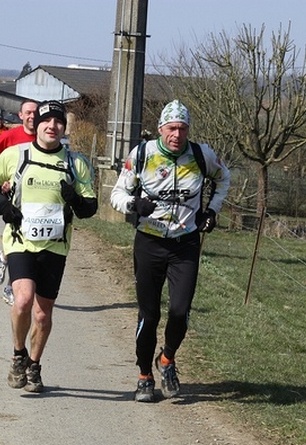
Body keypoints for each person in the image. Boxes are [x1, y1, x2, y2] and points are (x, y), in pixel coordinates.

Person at [110, 100, 230, 403]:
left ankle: (167, 360)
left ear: (188, 129)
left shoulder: (202, 155)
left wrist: (211, 211)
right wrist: (133, 205)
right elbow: (117, 194)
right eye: (171, 128)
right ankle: (143, 377)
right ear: (161, 129)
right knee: (149, 315)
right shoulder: (142, 155)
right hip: (149, 242)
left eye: (182, 128)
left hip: (185, 243)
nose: (177, 134)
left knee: (179, 311)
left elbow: (223, 179)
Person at [0, 100, 98, 393]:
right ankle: (18, 354)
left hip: (55, 246)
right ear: (37, 125)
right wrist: (4, 208)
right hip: (20, 241)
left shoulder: (76, 163)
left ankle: (34, 365)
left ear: (63, 127)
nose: (52, 126)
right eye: (47, 120)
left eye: (58, 122)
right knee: (22, 300)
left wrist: (74, 198)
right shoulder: (16, 155)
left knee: (43, 314)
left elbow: (90, 209)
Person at [0, 99, 38, 306]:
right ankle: (11, 284)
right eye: (28, 112)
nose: (33, 116)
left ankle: (5, 260)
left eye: (36, 112)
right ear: (21, 115)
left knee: (27, 240)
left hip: (37, 197)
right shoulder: (10, 136)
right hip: (14, 196)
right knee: (18, 234)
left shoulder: (45, 137)